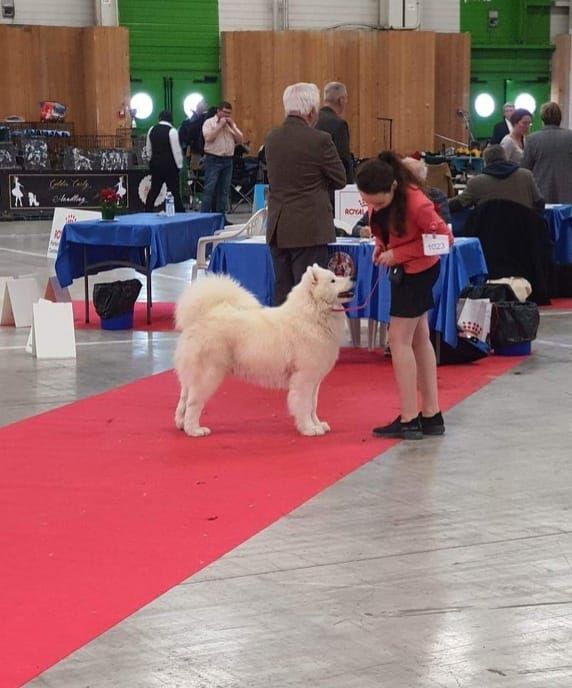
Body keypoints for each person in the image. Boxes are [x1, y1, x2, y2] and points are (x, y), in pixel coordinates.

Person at [355, 151, 453, 440]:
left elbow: (444, 240)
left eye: (378, 202)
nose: (373, 206)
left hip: (418, 273)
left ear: (394, 187)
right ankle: (431, 415)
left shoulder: (418, 203)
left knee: (398, 340)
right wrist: (380, 245)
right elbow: (384, 227)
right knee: (419, 338)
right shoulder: (380, 198)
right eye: (368, 202)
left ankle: (409, 418)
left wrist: (398, 254)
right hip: (406, 271)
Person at [264, 82, 346, 305]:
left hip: (278, 227)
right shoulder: (320, 140)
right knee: (310, 298)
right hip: (309, 229)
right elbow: (340, 179)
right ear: (311, 112)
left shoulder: (271, 138)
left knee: (284, 294)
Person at [449, 144, 544, 213]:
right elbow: (540, 203)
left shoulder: (476, 182)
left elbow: (458, 204)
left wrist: (443, 202)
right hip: (524, 231)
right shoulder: (526, 176)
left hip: (489, 232)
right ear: (505, 158)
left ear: (485, 162)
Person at [521, 101, 572, 203]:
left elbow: (525, 168)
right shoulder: (570, 137)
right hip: (567, 193)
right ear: (560, 118)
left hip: (541, 192)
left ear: (542, 118)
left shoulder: (532, 139)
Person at [201, 101, 243, 219]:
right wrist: (219, 126)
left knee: (224, 191)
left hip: (228, 160)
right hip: (213, 159)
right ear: (218, 111)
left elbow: (240, 140)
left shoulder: (231, 125)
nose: (227, 115)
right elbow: (208, 138)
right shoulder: (209, 123)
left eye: (229, 113)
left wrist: (232, 126)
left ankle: (221, 218)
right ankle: (203, 217)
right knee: (210, 189)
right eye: (224, 112)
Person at [144, 109, 184, 213]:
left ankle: (147, 210)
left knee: (154, 189)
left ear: (159, 118)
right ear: (171, 120)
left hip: (156, 164)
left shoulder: (151, 129)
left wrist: (150, 159)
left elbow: (148, 148)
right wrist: (179, 165)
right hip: (170, 166)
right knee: (174, 190)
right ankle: (180, 212)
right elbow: (176, 150)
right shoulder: (172, 131)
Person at [316, 81, 354, 184]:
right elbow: (343, 160)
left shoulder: (312, 120)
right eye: (346, 98)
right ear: (341, 100)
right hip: (331, 184)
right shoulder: (339, 124)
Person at [179, 98, 208, 172]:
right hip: (199, 148)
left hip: (196, 148)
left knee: (194, 169)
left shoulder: (190, 120)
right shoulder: (207, 119)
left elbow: (184, 134)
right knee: (197, 169)